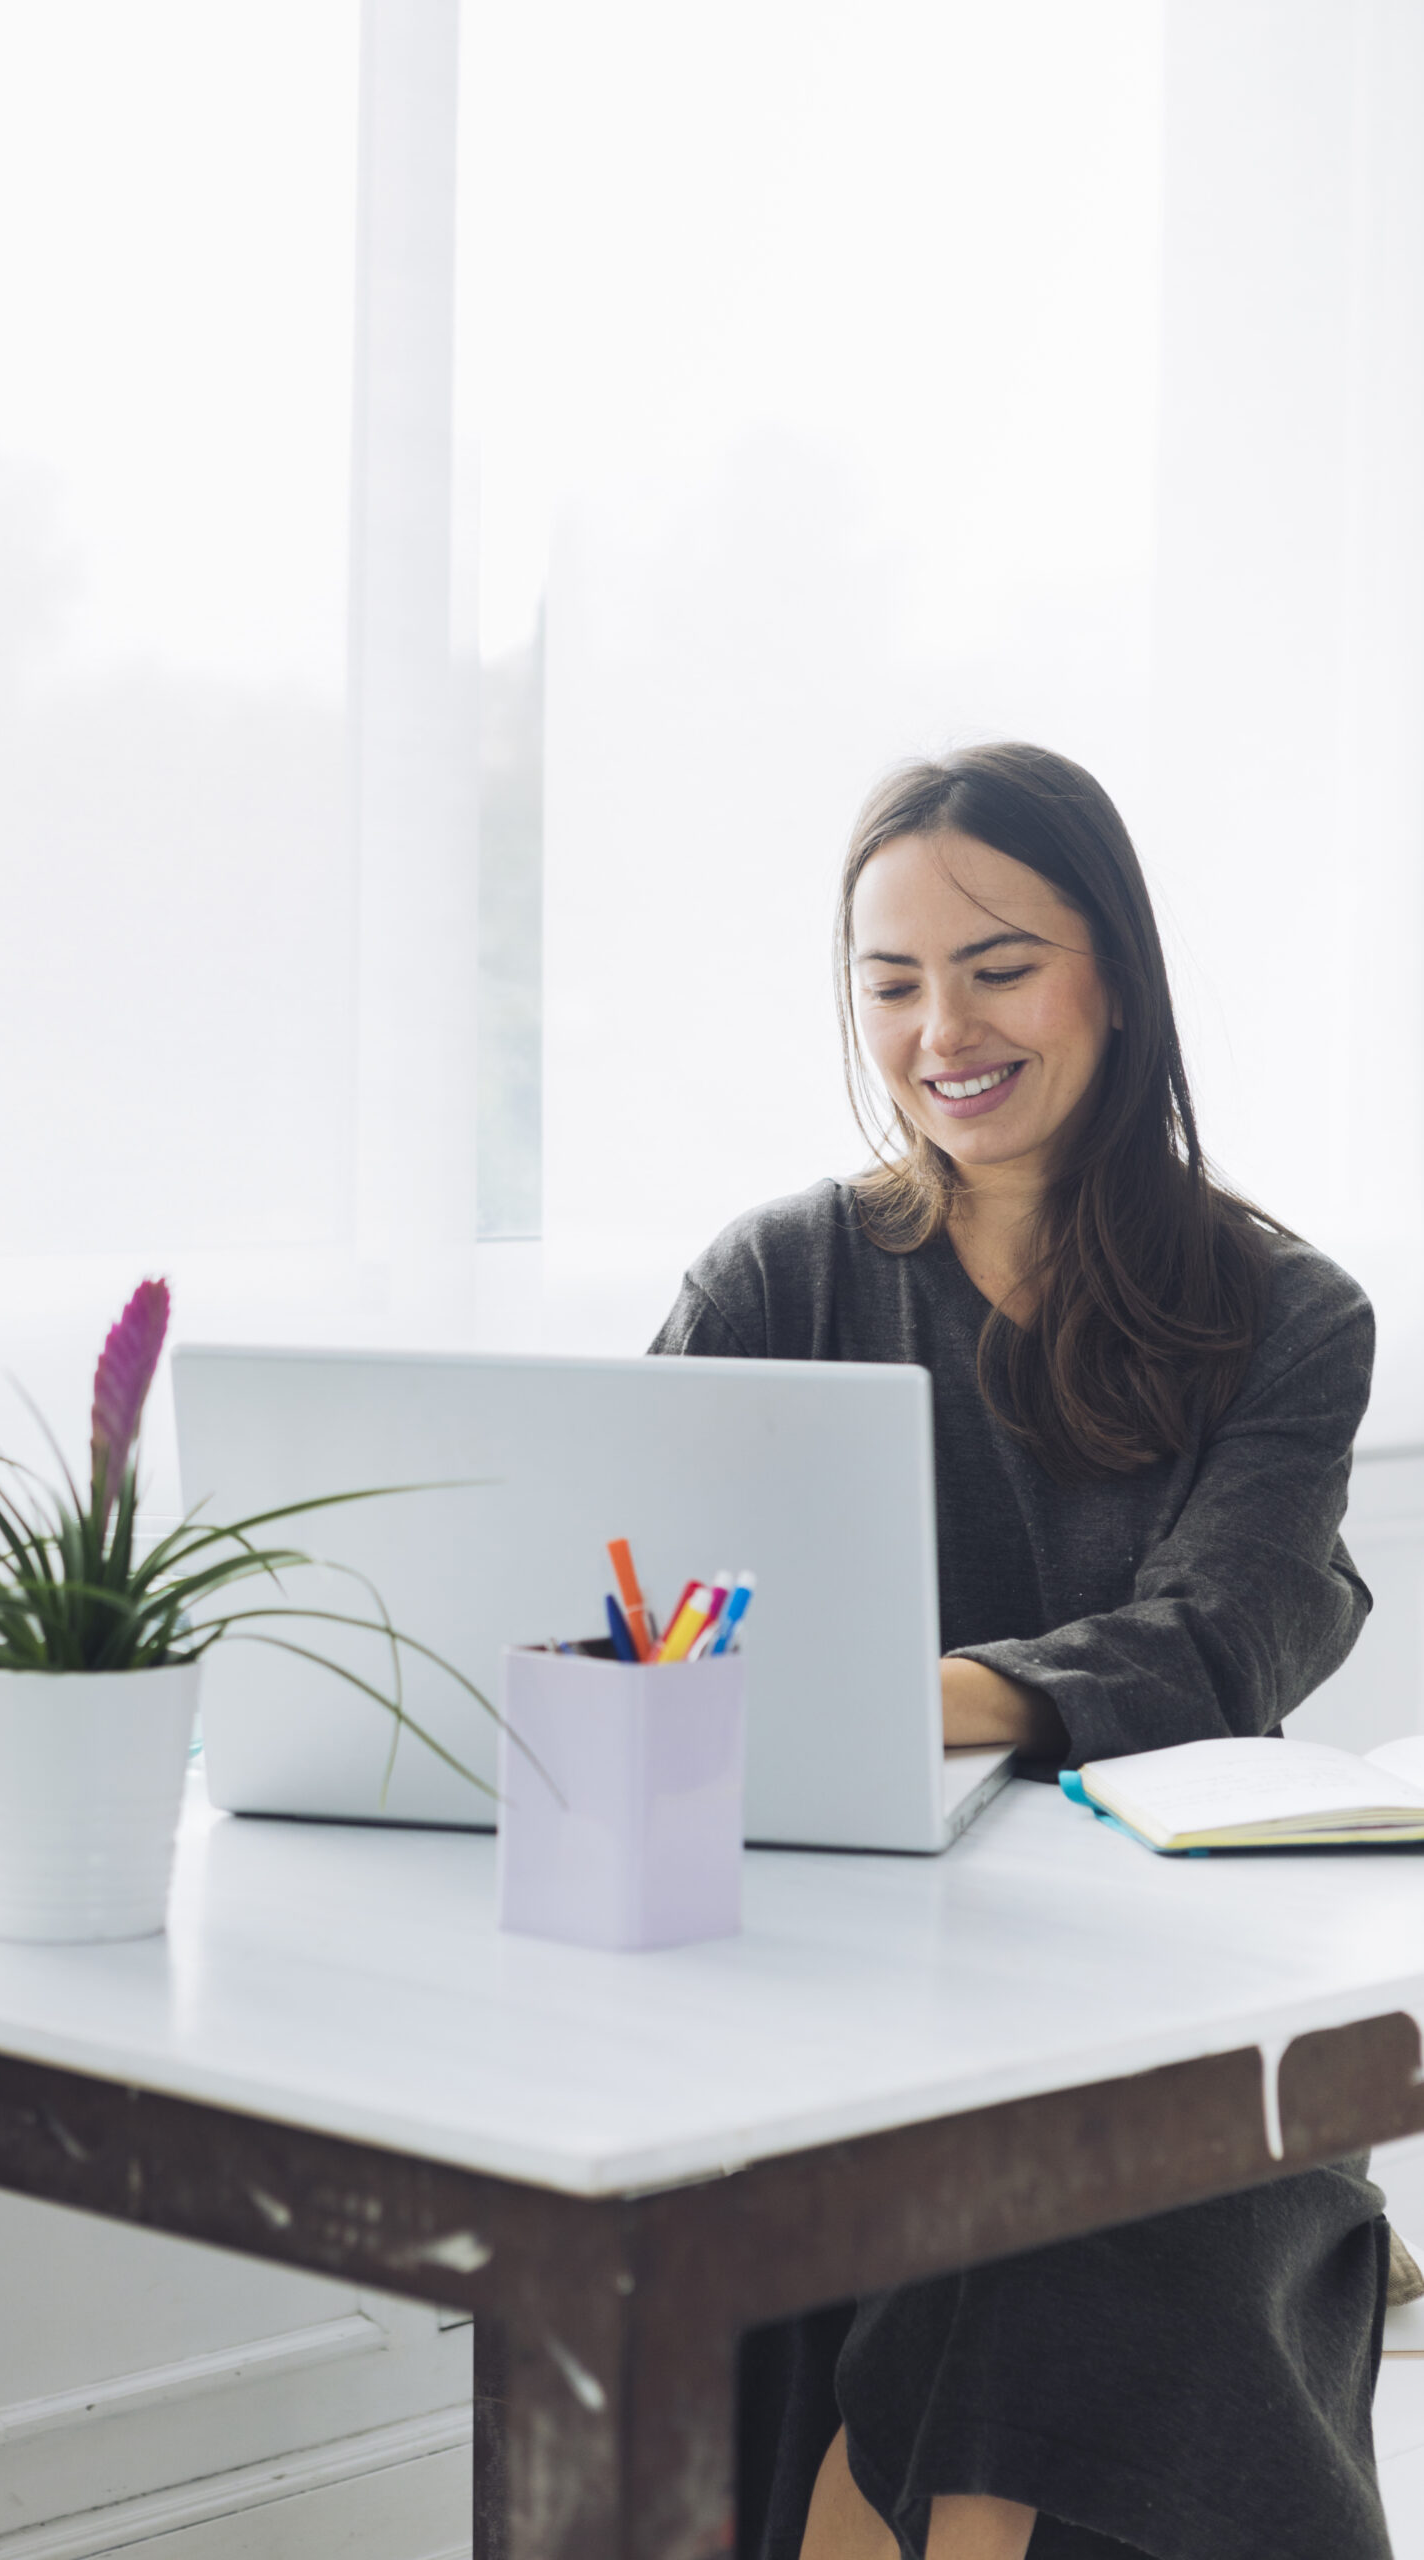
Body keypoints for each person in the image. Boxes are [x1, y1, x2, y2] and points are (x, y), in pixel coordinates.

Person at [650, 743, 1390, 2560]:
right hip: (837, 1998)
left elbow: (1220, 1637)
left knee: (1059, 2230)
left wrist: (910, 1703)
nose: (939, 1029)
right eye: (891, 982)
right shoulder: (777, 1282)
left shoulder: (1285, 1319)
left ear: (1112, 979)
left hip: (1174, 2010)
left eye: (998, 966)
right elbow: (638, 1610)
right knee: (890, 2234)